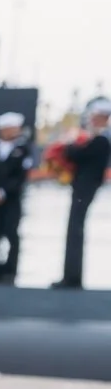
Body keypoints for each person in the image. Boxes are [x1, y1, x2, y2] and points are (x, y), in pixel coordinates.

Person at [57, 96, 111, 290]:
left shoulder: (100, 141)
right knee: (74, 231)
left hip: (85, 189)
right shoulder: (96, 140)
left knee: (75, 230)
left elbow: (74, 154)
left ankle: (72, 278)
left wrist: (70, 143)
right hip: (82, 188)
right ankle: (71, 275)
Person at [0, 110, 35, 283]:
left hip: (11, 200)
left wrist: (3, 192)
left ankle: (10, 271)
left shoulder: (22, 150)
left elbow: (20, 177)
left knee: (11, 233)